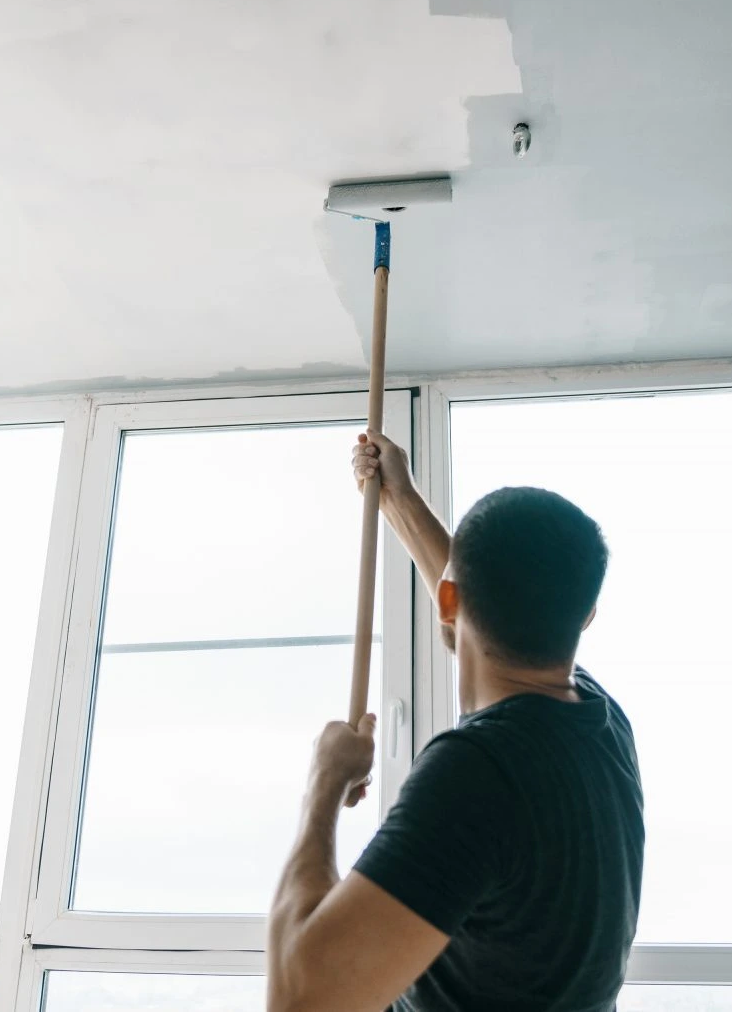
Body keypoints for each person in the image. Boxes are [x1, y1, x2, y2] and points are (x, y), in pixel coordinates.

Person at [267, 432, 646, 1012]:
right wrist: (399, 500)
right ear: (587, 614)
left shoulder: (477, 774)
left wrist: (324, 783)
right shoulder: (601, 721)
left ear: (448, 598)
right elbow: (485, 621)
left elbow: (300, 999)